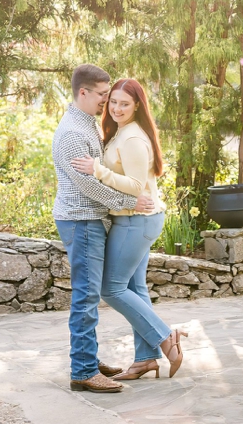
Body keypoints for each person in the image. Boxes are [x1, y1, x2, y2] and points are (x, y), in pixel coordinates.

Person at [71, 78, 188, 380]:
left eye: (125, 103)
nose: (117, 108)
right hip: (135, 220)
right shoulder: (121, 132)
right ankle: (145, 359)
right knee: (135, 289)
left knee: (111, 288)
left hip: (136, 221)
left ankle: (165, 337)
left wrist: (97, 170)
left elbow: (136, 187)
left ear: (137, 105)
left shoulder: (133, 137)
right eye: (113, 102)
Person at [52, 64, 155, 393]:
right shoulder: (73, 133)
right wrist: (130, 202)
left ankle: (89, 360)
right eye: (102, 95)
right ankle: (83, 370)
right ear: (83, 92)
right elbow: (87, 185)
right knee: (86, 296)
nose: (106, 101)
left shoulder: (87, 123)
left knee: (91, 293)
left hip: (90, 218)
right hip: (81, 219)